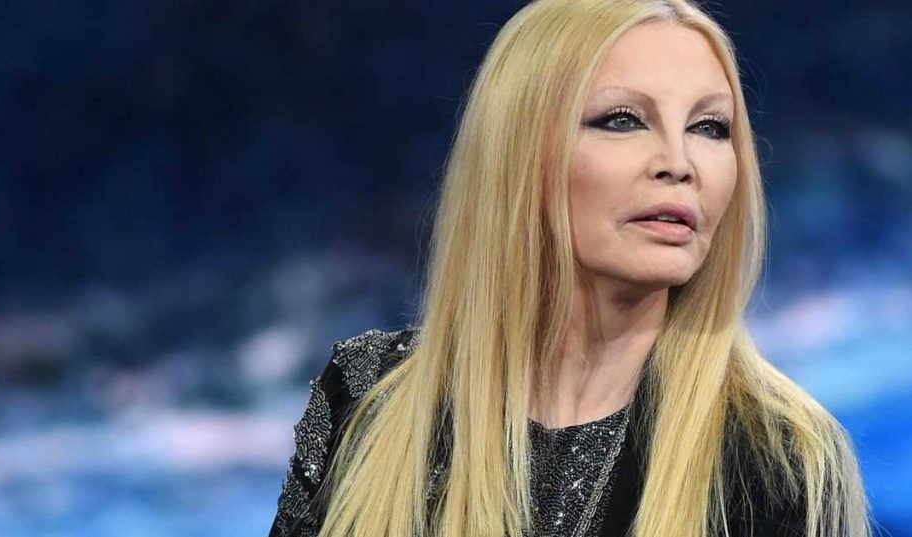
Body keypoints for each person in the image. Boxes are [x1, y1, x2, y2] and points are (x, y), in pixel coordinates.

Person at [268, 0, 874, 536]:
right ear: (519, 152)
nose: (679, 162)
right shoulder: (364, 397)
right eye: (623, 120)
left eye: (709, 127)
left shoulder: (781, 458)